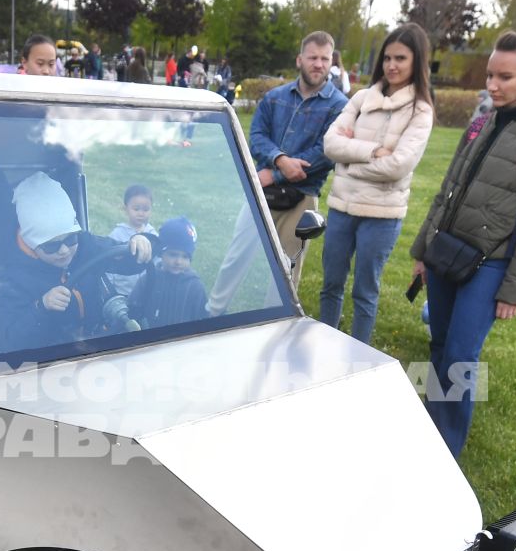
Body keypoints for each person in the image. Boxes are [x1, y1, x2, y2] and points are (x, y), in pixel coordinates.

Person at [410, 30, 516, 458]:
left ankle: (445, 451)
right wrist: (422, 250)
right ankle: (425, 427)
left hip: (491, 265)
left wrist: (515, 289)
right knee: (437, 345)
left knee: (462, 356)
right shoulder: (482, 121)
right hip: (447, 251)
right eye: (489, 75)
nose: (493, 85)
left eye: (505, 76)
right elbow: (450, 188)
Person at [205, 31, 349, 313]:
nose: (318, 64)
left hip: (302, 197)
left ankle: (276, 321)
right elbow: (256, 137)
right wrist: (280, 160)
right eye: (312, 57)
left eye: (324, 58)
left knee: (286, 268)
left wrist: (277, 173)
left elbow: (324, 154)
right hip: (262, 191)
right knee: (236, 256)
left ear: (330, 62)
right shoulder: (274, 98)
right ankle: (211, 311)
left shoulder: (339, 106)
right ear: (300, 60)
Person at [319, 23, 436, 343]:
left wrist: (348, 165)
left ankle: (357, 357)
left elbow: (398, 166)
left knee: (364, 292)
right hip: (343, 208)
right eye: (387, 58)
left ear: (417, 62)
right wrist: (371, 151)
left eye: (401, 58)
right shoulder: (361, 98)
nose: (392, 65)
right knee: (330, 285)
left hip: (382, 216)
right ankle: (324, 346)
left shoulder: (421, 111)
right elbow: (330, 144)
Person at [0, 172, 153, 349]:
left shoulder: (86, 245)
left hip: (100, 339)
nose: (64, 250)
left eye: (70, 239)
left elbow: (124, 260)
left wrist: (141, 244)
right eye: (51, 246)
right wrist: (42, 306)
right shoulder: (15, 276)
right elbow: (15, 337)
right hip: (55, 354)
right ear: (31, 244)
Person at [127, 217, 209, 328]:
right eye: (173, 254)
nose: (178, 262)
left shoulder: (194, 287)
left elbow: (203, 320)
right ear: (161, 253)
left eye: (185, 257)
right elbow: (131, 309)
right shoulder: (149, 278)